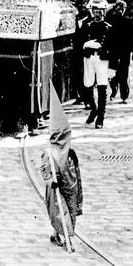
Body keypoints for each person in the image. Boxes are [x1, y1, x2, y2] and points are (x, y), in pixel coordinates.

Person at [41, 92, 81, 249]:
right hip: (56, 187)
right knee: (60, 211)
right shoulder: (49, 153)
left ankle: (57, 233)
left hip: (71, 186)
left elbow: (76, 172)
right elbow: (45, 171)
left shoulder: (71, 153)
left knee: (70, 212)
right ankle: (67, 238)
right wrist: (51, 182)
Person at [81, 40, 110, 128]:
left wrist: (114, 66)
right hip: (88, 54)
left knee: (102, 86)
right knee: (87, 85)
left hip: (102, 55)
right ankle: (94, 109)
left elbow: (114, 40)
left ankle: (100, 118)